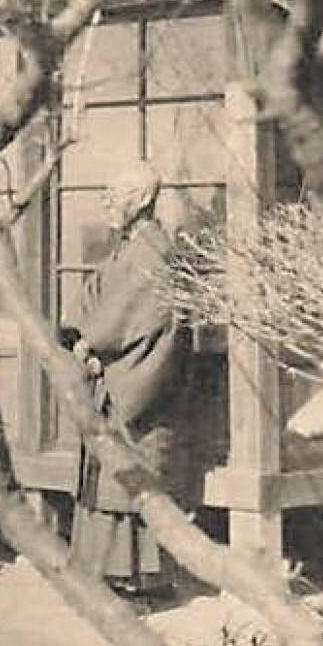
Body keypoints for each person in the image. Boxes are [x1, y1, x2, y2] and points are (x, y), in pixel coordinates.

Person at [66, 161, 197, 596]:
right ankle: (110, 570)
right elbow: (93, 302)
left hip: (137, 383)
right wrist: (86, 337)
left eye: (113, 192)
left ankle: (140, 578)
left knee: (131, 478)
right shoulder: (129, 247)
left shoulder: (152, 252)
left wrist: (93, 345)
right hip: (119, 373)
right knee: (112, 476)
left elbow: (128, 318)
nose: (105, 200)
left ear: (142, 199)